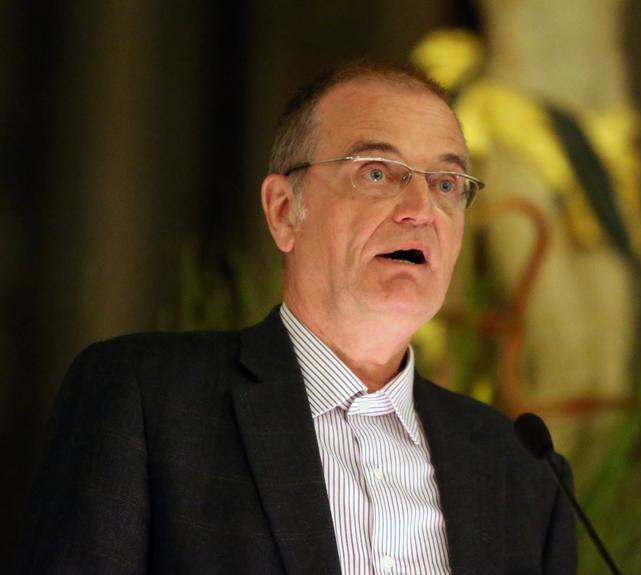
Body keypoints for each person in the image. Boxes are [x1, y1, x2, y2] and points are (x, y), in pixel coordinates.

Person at [20, 62, 577, 574]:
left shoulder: (524, 473)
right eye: (376, 173)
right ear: (284, 212)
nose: (420, 210)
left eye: (446, 183)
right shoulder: (147, 400)